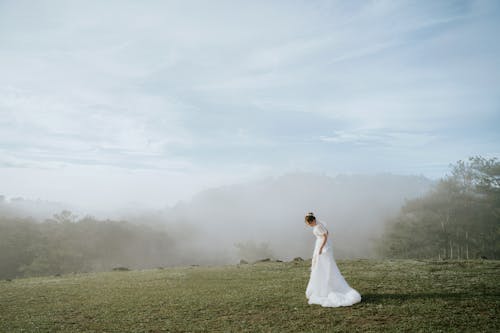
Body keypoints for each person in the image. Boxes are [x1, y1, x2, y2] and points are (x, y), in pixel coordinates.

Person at [304, 212, 361, 307]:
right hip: (319, 244)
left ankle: (326, 286)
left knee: (324, 265)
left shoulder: (318, 226)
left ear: (313, 220)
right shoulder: (318, 225)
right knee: (320, 264)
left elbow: (326, 236)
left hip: (322, 246)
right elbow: (326, 233)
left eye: (309, 223)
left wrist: (321, 247)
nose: (309, 225)